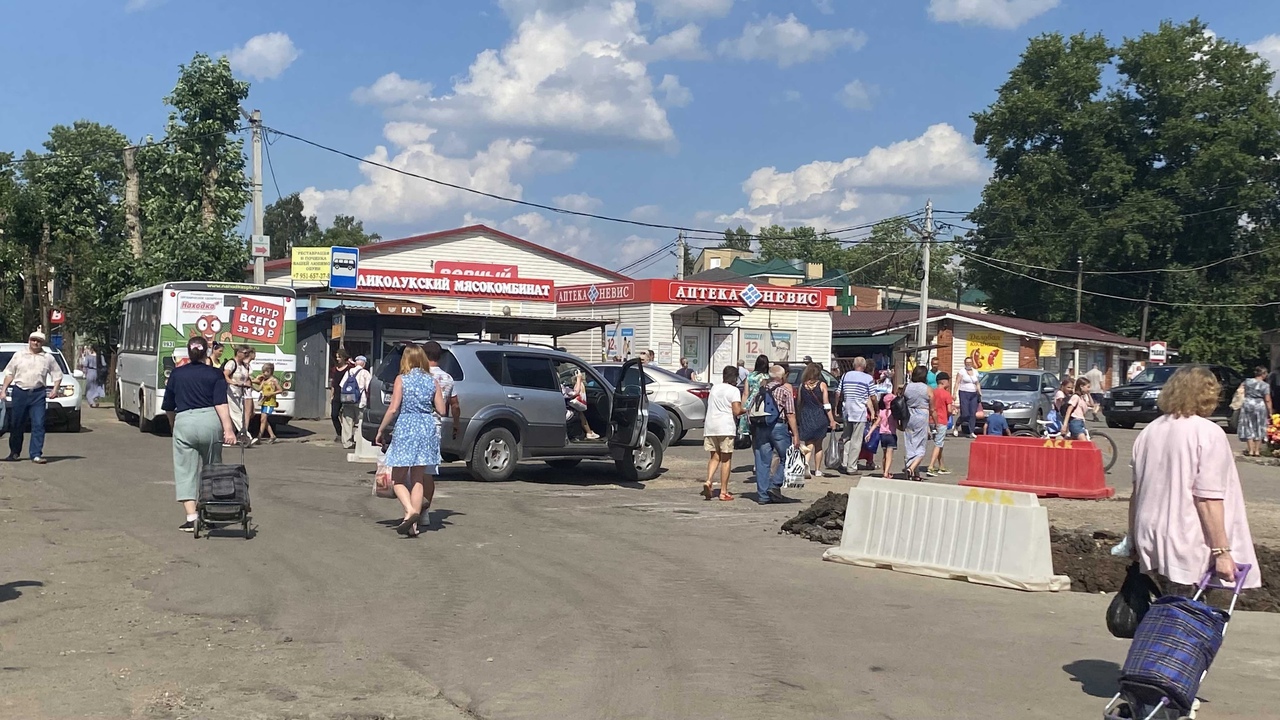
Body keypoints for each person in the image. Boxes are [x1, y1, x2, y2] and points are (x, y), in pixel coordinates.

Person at [1129, 366, 1261, 596]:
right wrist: (1222, 552)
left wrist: (1132, 538)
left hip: (1150, 534)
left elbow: (1136, 493)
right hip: (1188, 538)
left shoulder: (1149, 431)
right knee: (1187, 619)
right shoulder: (1208, 433)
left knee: (1167, 608)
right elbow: (1207, 498)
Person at [162, 337, 237, 532]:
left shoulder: (177, 375)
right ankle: (210, 512)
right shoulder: (215, 374)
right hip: (210, 421)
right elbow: (221, 403)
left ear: (189, 352)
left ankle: (192, 517)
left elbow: (169, 406)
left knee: (185, 471)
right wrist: (228, 430)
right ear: (207, 353)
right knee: (212, 468)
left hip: (184, 421)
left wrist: (173, 425)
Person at [374, 345, 445, 538]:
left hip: (406, 427)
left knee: (398, 478)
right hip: (426, 428)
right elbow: (442, 410)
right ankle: (413, 525)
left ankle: (410, 511)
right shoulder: (432, 380)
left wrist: (381, 430)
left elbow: (393, 408)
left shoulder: (402, 379)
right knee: (417, 478)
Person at [1, 330, 62, 464]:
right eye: (33, 340)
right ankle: (14, 452)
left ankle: (36, 454)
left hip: (38, 394)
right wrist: (3, 390)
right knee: (17, 424)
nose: (35, 343)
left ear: (42, 343)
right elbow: (10, 373)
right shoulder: (19, 355)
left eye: (38, 341)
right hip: (20, 393)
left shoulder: (48, 357)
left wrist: (55, 389)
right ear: (29, 340)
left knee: (38, 424)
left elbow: (57, 374)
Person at [751, 365, 800, 505]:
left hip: (761, 426)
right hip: (778, 426)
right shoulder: (784, 390)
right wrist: (796, 434)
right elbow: (790, 414)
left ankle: (763, 496)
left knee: (762, 461)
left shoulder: (760, 390)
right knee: (789, 457)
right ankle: (775, 484)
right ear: (782, 376)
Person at [422, 341, 462, 513]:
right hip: (435, 426)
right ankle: (424, 512)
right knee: (428, 471)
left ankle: (411, 509)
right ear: (440, 357)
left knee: (412, 470)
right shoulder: (447, 378)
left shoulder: (418, 376)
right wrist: (456, 424)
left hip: (415, 425)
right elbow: (455, 405)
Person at [702, 365, 744, 502]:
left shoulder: (715, 388)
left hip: (710, 426)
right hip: (725, 427)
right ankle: (723, 491)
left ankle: (708, 480)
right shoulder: (734, 390)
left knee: (714, 457)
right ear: (735, 378)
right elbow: (736, 411)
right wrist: (746, 410)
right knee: (726, 459)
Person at [796, 363, 837, 478]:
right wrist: (832, 420)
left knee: (808, 443)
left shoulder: (802, 386)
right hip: (819, 415)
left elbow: (799, 403)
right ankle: (817, 470)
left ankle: (805, 462)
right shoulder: (822, 385)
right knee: (818, 445)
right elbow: (826, 404)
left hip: (806, 415)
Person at [837, 356, 876, 474]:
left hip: (847, 410)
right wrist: (876, 409)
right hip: (859, 412)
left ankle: (844, 462)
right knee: (856, 440)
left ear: (854, 365)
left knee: (846, 437)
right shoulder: (868, 378)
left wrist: (836, 408)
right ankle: (852, 466)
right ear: (864, 366)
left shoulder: (845, 375)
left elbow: (838, 393)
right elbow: (873, 396)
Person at [903, 365, 934, 482]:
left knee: (910, 443)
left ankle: (914, 472)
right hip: (921, 416)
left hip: (908, 415)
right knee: (921, 446)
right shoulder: (927, 389)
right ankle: (911, 468)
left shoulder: (907, 387)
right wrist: (935, 422)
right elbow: (932, 409)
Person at [1238, 366, 1273, 457]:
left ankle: (1250, 450)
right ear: (1263, 374)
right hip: (1259, 405)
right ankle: (1257, 451)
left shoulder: (1247, 381)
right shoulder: (1265, 385)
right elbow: (1268, 399)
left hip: (1248, 403)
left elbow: (1239, 391)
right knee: (1259, 426)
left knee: (1248, 426)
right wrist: (1270, 411)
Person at [221, 345, 254, 445]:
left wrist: (247, 384)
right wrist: (232, 382)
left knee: (233, 417)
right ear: (238, 353)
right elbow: (225, 375)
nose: (246, 355)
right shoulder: (231, 363)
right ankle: (247, 436)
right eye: (245, 353)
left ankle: (227, 439)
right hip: (230, 393)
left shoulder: (244, 365)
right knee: (238, 415)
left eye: (248, 353)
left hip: (240, 393)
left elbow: (246, 378)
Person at [338, 356, 372, 449]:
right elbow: (369, 388)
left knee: (347, 422)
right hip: (360, 401)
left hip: (347, 401)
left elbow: (341, 385)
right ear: (364, 364)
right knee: (360, 422)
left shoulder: (348, 372)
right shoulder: (365, 373)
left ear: (356, 363)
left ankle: (346, 443)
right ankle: (358, 441)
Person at [926, 372, 954, 476]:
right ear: (943, 381)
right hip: (941, 421)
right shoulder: (947, 394)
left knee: (939, 443)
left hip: (931, 420)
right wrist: (952, 411)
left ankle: (941, 466)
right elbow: (949, 410)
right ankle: (931, 466)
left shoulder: (932, 392)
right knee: (938, 444)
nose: (949, 383)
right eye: (948, 380)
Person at [738, 354, 770, 439]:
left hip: (750, 403)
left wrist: (742, 408)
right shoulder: (766, 377)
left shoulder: (750, 376)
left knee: (750, 430)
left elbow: (745, 393)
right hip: (762, 403)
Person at [254, 363, 282, 445]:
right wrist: (251, 384)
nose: (264, 373)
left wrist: (271, 393)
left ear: (271, 372)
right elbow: (258, 389)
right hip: (264, 401)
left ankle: (259, 437)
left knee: (263, 419)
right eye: (263, 372)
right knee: (263, 420)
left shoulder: (273, 381)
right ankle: (272, 435)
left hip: (270, 402)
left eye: (267, 372)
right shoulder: (263, 380)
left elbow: (280, 390)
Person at [955, 358, 981, 438]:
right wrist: (954, 393)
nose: (968, 364)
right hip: (964, 393)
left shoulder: (975, 372)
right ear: (964, 363)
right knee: (965, 414)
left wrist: (980, 393)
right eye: (967, 362)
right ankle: (956, 426)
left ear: (972, 363)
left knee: (973, 413)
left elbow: (977, 383)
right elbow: (957, 382)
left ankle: (971, 431)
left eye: (970, 362)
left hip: (974, 394)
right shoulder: (961, 371)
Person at [328, 350, 351, 443]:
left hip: (346, 394)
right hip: (337, 394)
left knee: (346, 416)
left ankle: (346, 435)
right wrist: (332, 395)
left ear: (343, 357)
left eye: (339, 357)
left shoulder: (349, 369)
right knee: (334, 415)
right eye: (336, 357)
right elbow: (333, 383)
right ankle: (339, 432)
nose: (337, 359)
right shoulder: (334, 369)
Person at [876, 391, 898, 478]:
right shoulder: (894, 413)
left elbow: (876, 423)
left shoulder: (881, 412)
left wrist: (869, 433)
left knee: (884, 455)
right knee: (889, 455)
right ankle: (886, 473)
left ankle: (884, 471)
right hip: (891, 435)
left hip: (882, 435)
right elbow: (897, 425)